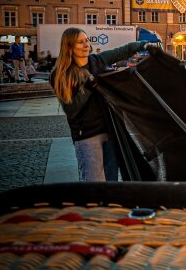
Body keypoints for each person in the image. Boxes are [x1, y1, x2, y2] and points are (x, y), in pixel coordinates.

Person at [50, 27, 158, 182]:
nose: (86, 44)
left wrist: (145, 45)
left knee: (111, 180)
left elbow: (123, 51)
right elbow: (71, 109)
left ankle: (110, 207)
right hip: (87, 136)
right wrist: (88, 85)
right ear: (69, 46)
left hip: (110, 132)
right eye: (80, 42)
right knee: (95, 183)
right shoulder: (61, 74)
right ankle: (94, 208)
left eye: (86, 40)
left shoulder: (97, 61)